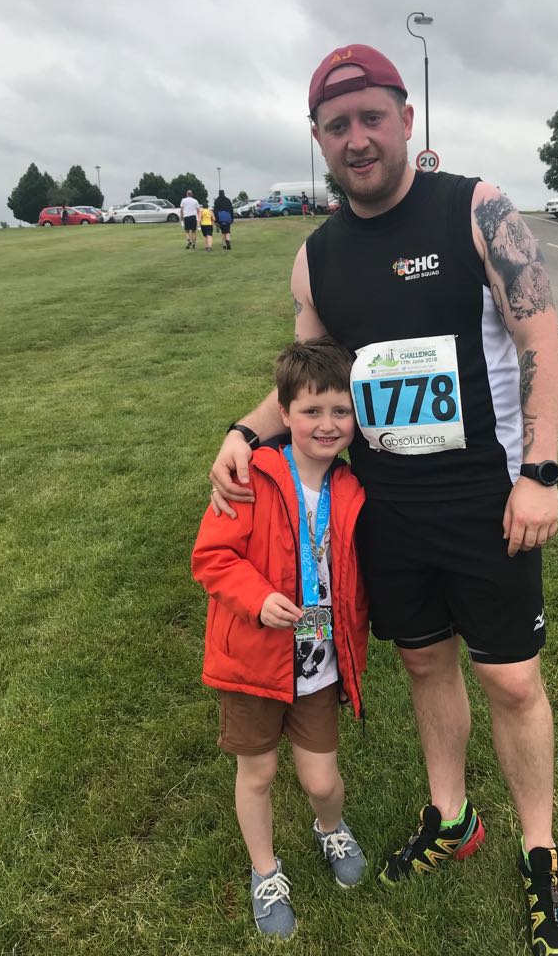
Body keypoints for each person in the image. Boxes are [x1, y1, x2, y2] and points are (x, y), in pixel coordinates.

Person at [209, 44, 558, 956]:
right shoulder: (317, 257)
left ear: (405, 120)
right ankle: (452, 817)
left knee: (510, 678)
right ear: (319, 141)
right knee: (424, 666)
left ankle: (541, 855)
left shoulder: (475, 209)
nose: (358, 138)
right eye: (338, 126)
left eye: (372, 116)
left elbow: (541, 338)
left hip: (488, 498)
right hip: (384, 506)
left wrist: (540, 472)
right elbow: (308, 381)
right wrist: (245, 431)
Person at [193, 336, 369, 940]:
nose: (326, 424)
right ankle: (265, 871)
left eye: (340, 411)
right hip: (253, 664)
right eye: (311, 411)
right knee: (259, 773)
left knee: (322, 779)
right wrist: (255, 597)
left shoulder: (352, 490)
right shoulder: (250, 476)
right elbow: (211, 557)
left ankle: (330, 828)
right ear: (284, 415)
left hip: (318, 666)